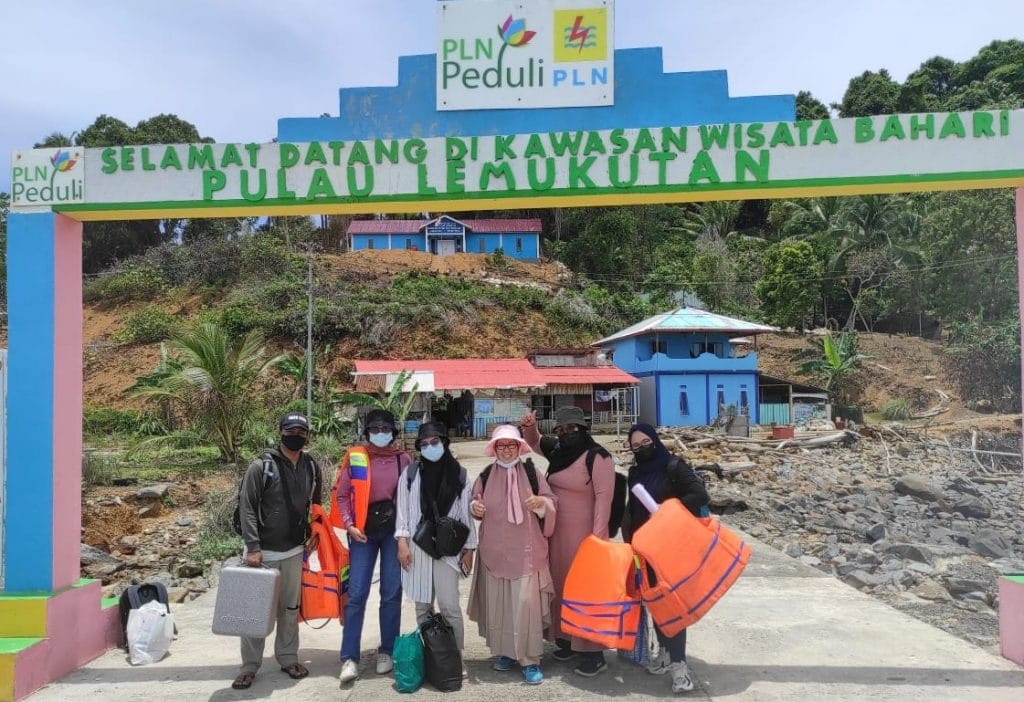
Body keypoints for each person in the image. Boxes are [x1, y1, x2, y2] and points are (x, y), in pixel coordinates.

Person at [521, 406, 615, 676]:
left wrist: (597, 541)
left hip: (586, 537)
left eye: (572, 428)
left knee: (586, 592)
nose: (566, 433)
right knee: (561, 587)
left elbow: (603, 501)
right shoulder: (558, 452)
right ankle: (569, 641)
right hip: (556, 537)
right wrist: (529, 426)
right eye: (562, 430)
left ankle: (593, 651)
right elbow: (535, 442)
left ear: (583, 428)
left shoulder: (598, 457)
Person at [233, 412, 322, 690]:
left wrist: (315, 532)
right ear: (280, 432)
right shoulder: (261, 466)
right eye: (290, 430)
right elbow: (247, 508)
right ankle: (249, 666)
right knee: (255, 611)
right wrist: (253, 547)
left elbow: (316, 504)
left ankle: (287, 657)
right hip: (263, 553)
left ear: (307, 435)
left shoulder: (310, 466)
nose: (296, 436)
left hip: (295, 550)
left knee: (289, 609)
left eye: (301, 432)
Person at [622, 423, 710, 694]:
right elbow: (634, 508)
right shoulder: (634, 472)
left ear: (655, 441)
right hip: (645, 550)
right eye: (636, 446)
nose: (641, 449)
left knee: (673, 607)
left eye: (646, 442)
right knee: (655, 603)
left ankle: (679, 668)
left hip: (672, 548)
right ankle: (663, 653)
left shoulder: (674, 466)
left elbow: (699, 494)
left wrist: (667, 511)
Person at [467, 424, 557, 685]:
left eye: (511, 445)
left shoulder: (532, 473)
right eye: (501, 446)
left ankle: (530, 660)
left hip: (526, 553)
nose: (506, 450)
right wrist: (476, 507)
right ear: (494, 449)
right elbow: (474, 502)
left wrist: (542, 505)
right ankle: (506, 652)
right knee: (501, 606)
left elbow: (551, 501)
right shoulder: (484, 475)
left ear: (519, 447)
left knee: (525, 607)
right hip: (495, 552)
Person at [335, 409, 412, 684]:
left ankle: (387, 651)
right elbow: (342, 495)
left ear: (393, 432)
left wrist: (405, 537)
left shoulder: (403, 459)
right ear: (366, 432)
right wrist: (349, 524)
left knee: (391, 593)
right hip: (362, 535)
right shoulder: (356, 456)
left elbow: (411, 498)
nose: (381, 433)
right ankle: (349, 658)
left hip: (393, 535)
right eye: (375, 429)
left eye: (385, 428)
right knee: (356, 595)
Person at [395, 421, 477, 674]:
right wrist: (402, 543)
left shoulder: (460, 475)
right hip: (418, 547)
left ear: (445, 443)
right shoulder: (410, 475)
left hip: (448, 548)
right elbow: (402, 512)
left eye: (435, 442)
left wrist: (470, 548)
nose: (430, 447)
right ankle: (431, 656)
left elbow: (466, 515)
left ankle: (456, 657)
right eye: (424, 444)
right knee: (422, 605)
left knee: (449, 605)